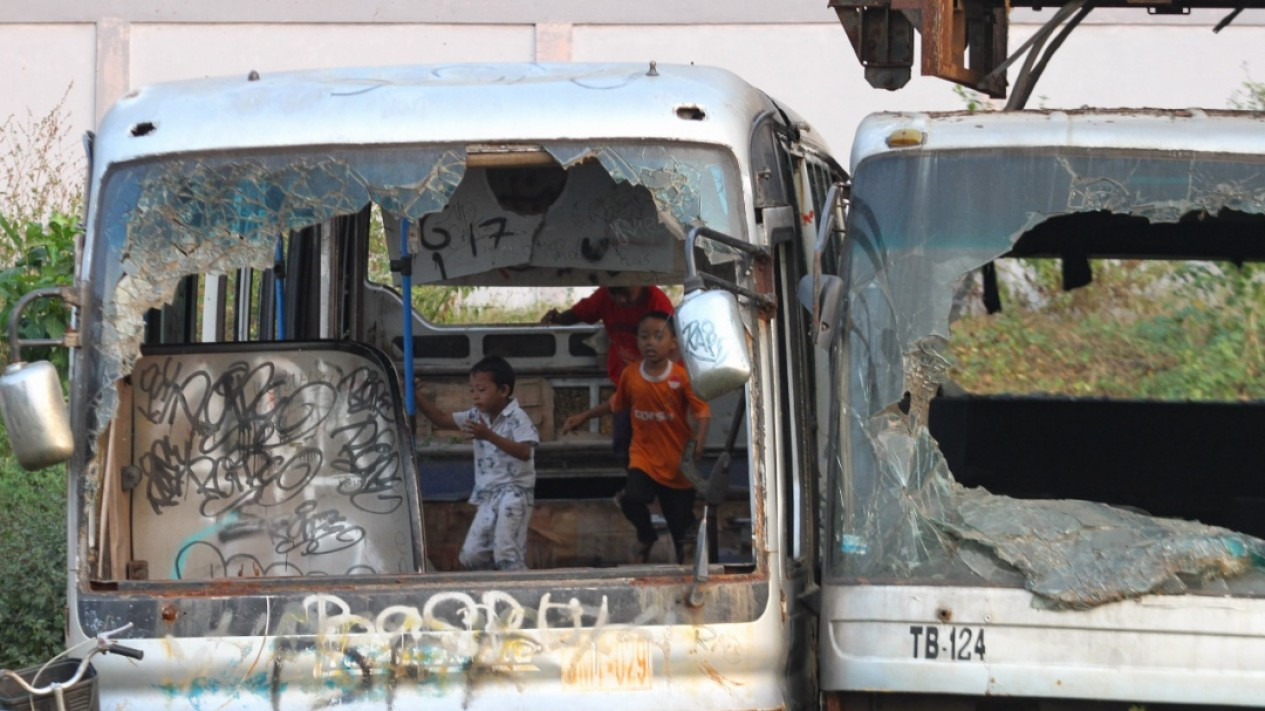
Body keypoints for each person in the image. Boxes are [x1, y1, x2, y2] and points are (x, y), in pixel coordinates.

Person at [561, 311, 711, 564]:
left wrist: (699, 441)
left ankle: (684, 569)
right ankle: (646, 534)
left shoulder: (681, 377)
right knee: (632, 497)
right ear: (637, 342)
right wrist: (584, 416)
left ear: (673, 343)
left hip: (677, 463)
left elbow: (703, 412)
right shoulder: (630, 375)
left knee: (680, 526)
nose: (650, 342)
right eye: (644, 337)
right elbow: (616, 404)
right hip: (643, 456)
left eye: (658, 336)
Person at [415, 356, 539, 571]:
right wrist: (414, 394)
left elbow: (524, 451)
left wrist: (489, 435)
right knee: (471, 556)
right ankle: (497, 587)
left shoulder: (517, 417)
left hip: (514, 493)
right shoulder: (475, 415)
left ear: (503, 390)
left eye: (481, 390)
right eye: (472, 390)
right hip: (487, 493)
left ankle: (519, 592)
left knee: (507, 553)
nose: (475, 396)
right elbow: (440, 419)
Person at [541, 285, 674, 465]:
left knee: (656, 446)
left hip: (658, 390)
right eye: (614, 294)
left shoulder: (657, 303)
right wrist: (557, 318)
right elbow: (579, 313)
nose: (620, 300)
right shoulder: (604, 297)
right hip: (626, 380)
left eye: (625, 292)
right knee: (622, 444)